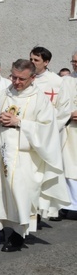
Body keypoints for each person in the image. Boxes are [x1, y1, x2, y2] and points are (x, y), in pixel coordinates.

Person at [0, 60, 66, 252]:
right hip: (1, 152)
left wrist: (19, 122)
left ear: (32, 78)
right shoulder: (4, 93)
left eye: (21, 79)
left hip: (26, 157)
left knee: (21, 195)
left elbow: (47, 129)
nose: (16, 82)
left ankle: (18, 234)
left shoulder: (39, 99)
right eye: (14, 77)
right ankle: (0, 228)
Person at [29, 46, 73, 222]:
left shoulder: (57, 82)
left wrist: (50, 128)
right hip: (29, 132)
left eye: (36, 60)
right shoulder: (27, 79)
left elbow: (64, 111)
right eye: (31, 59)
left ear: (46, 62)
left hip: (49, 134)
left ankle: (42, 210)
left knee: (44, 173)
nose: (32, 63)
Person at [60, 50, 77, 220]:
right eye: (73, 61)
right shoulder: (66, 81)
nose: (75, 64)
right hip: (70, 130)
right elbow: (60, 105)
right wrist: (69, 115)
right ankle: (69, 205)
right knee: (69, 167)